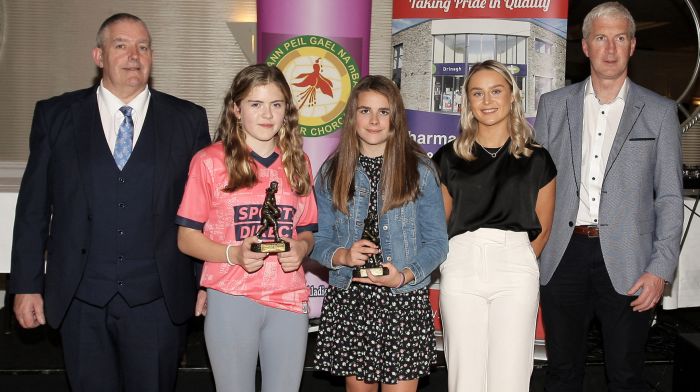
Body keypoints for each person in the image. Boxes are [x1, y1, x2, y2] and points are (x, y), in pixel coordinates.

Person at [9, 13, 211, 392]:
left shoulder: (187, 119)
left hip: (159, 301)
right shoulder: (56, 116)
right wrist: (26, 285)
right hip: (80, 300)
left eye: (143, 47)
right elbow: (33, 208)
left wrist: (206, 283)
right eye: (121, 45)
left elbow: (204, 213)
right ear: (98, 56)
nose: (134, 55)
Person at [534, 2, 683, 391]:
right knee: (562, 373)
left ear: (632, 45)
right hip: (561, 256)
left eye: (620, 38)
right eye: (601, 38)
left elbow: (669, 197)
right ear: (585, 46)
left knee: (626, 375)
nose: (611, 48)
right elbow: (536, 186)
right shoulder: (552, 106)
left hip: (631, 262)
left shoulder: (660, 112)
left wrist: (660, 269)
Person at [175, 64, 317, 392]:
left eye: (276, 104)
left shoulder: (299, 162)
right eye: (256, 104)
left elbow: (308, 230)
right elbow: (186, 238)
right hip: (231, 297)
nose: (267, 114)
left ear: (287, 110)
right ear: (236, 109)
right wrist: (234, 253)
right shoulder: (209, 161)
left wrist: (302, 248)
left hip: (289, 300)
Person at [312, 75, 449, 392]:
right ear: (353, 117)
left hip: (402, 301)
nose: (374, 120)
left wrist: (403, 276)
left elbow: (438, 244)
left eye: (383, 111)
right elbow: (316, 240)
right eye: (365, 111)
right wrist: (342, 255)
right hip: (352, 300)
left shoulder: (420, 171)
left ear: (395, 118)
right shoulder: (332, 172)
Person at [433, 59, 557, 392]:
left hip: (516, 265)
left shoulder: (538, 158)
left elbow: (543, 229)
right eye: (478, 93)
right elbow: (437, 225)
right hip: (461, 263)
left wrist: (516, 259)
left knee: (512, 378)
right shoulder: (447, 158)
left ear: (512, 96)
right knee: (464, 378)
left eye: (496, 91)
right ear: (468, 102)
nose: (487, 101)